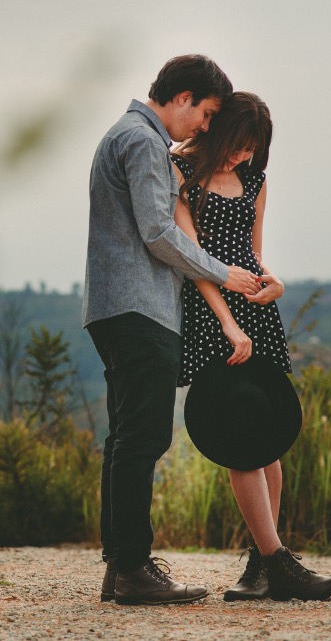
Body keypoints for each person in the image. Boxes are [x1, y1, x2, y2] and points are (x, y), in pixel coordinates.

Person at [83, 54, 264, 606]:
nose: (206, 126)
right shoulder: (141, 140)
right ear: (182, 97)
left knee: (124, 438)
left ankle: (122, 566)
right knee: (143, 437)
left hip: (115, 307)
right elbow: (159, 232)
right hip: (140, 309)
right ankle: (135, 568)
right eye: (206, 113)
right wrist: (223, 272)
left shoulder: (126, 135)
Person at [172, 91, 331, 601]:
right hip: (212, 316)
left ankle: (261, 568)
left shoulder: (255, 180)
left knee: (267, 433)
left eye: (252, 149)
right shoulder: (180, 172)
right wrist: (227, 322)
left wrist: (276, 284)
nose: (243, 157)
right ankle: (278, 562)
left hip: (257, 314)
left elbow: (254, 253)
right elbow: (192, 260)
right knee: (240, 430)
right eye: (239, 145)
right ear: (219, 131)